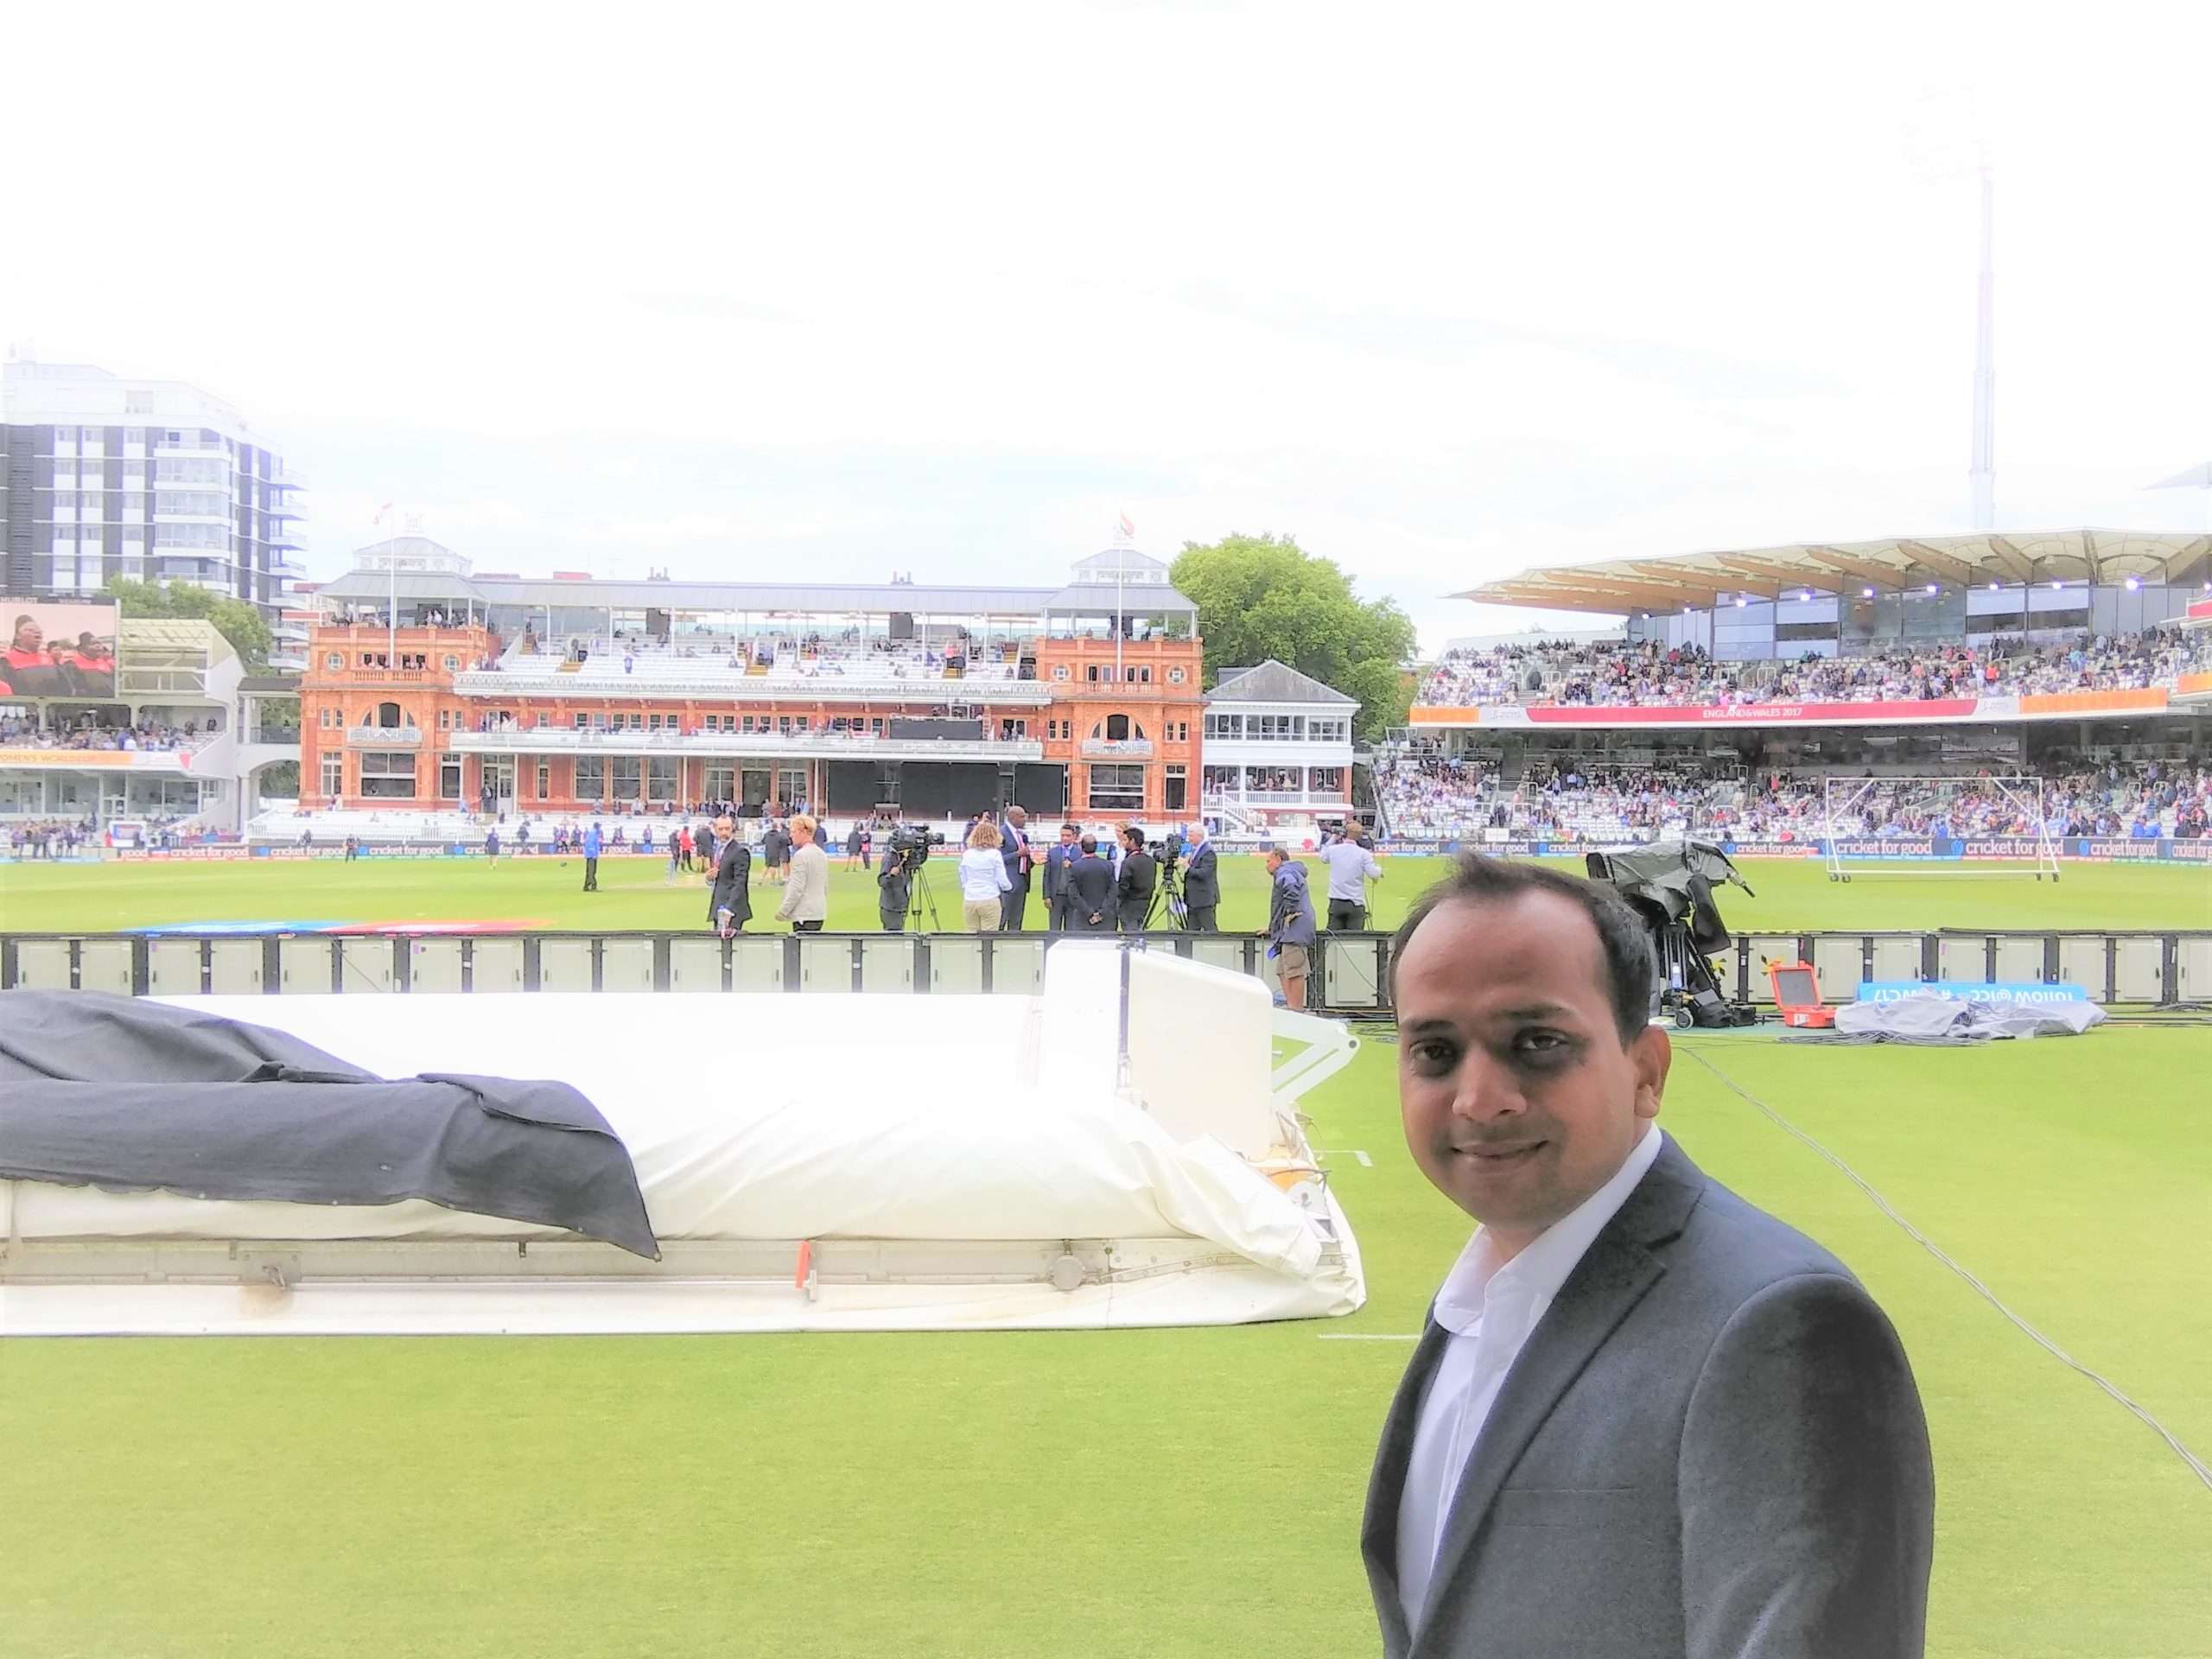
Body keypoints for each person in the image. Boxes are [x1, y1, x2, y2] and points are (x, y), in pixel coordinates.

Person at [1363, 856, 1933, 1657]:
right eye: (1435, 1051)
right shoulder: (1478, 1299)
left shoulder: (1781, 1326)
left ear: (1646, 1071)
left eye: (1537, 1042)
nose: (1478, 1097)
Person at [1265, 847, 1315, 1010]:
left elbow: (1290, 889)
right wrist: (1272, 928)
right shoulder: (1290, 871)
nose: (1267, 865)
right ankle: (1291, 1007)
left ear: (1278, 859)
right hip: (1289, 931)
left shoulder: (1285, 873)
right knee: (1282, 970)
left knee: (1294, 970)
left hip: (1295, 930)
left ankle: (1296, 1010)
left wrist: (1291, 912)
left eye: (1268, 861)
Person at [1319, 823, 1383, 931]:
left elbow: (1323, 857)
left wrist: (1333, 838)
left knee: (1333, 939)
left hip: (1336, 901)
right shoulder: (1363, 853)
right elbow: (1373, 874)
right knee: (1354, 940)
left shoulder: (1334, 850)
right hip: (1355, 903)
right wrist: (1379, 870)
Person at [775, 812, 829, 931]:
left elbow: (796, 888)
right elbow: (825, 886)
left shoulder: (801, 856)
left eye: (794, 832)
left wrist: (783, 911)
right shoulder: (822, 854)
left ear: (803, 832)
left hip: (804, 915)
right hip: (818, 912)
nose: (791, 835)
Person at [958, 819, 1013, 931]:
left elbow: (962, 876)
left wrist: (968, 887)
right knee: (989, 937)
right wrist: (1008, 887)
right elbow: (1002, 880)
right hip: (989, 898)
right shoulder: (995, 854)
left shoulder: (967, 854)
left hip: (970, 899)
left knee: (972, 936)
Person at [708, 813, 752, 937]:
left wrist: (729, 909)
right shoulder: (718, 849)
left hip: (731, 910)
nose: (724, 833)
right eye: (721, 829)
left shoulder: (740, 852)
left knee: (729, 950)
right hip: (719, 905)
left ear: (733, 829)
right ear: (715, 829)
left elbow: (740, 883)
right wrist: (709, 878)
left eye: (727, 829)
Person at [997, 804, 1034, 931]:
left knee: (1017, 920)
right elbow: (997, 859)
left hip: (1022, 881)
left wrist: (1032, 861)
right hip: (1007, 882)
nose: (1025, 819)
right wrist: (1017, 854)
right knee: (1002, 918)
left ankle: (1014, 944)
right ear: (1013, 818)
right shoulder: (1001, 833)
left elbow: (1024, 857)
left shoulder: (1022, 835)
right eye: (1022, 816)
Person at [1069, 833, 1116, 932]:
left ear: (1081, 847)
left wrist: (1089, 913)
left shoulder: (1075, 867)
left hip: (1083, 919)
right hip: (1105, 919)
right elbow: (1113, 892)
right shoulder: (1108, 865)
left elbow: (1073, 894)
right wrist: (1101, 913)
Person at [1042, 823, 1083, 931]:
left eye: (1068, 836)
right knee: (1054, 928)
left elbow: (1082, 875)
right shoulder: (1053, 852)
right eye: (1062, 835)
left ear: (1074, 836)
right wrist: (1046, 896)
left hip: (1073, 897)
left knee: (1071, 929)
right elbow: (1047, 875)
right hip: (1056, 896)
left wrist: (1072, 866)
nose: (1065, 838)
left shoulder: (1079, 853)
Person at [1115, 825, 1155, 932]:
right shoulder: (1150, 860)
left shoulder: (1129, 862)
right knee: (1138, 930)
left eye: (1125, 840)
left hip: (1129, 904)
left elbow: (1123, 886)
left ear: (1132, 841)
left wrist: (1117, 901)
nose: (1123, 843)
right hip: (1145, 902)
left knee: (1130, 933)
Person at [1180, 821, 1220, 931]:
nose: (1189, 838)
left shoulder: (1208, 852)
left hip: (1204, 900)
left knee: (1210, 929)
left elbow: (1204, 874)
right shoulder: (1195, 850)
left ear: (1199, 835)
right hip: (1193, 899)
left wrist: (1187, 867)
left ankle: (1216, 948)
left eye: (1191, 835)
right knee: (1192, 932)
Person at [876, 840, 912, 931]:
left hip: (898, 905)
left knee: (897, 935)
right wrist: (891, 875)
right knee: (893, 938)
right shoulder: (889, 858)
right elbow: (881, 881)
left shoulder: (901, 858)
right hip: (891, 907)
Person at [582, 820, 602, 892]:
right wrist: (594, 854)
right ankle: (593, 886)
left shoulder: (593, 833)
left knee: (590, 871)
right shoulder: (593, 834)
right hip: (591, 856)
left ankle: (586, 886)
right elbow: (590, 845)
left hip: (590, 855)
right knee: (591, 871)